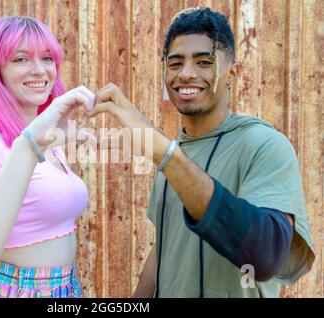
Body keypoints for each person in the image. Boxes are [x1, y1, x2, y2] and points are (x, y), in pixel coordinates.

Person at [89, 7, 315, 297]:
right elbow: (165, 249)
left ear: (232, 73)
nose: (186, 73)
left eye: (204, 62)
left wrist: (165, 154)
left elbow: (268, 255)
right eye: (175, 63)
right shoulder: (173, 152)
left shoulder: (264, 144)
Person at [0, 16, 95, 298]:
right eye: (21, 59)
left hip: (64, 289)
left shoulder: (47, 142)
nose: (39, 70)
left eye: (47, 58)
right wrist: (30, 145)